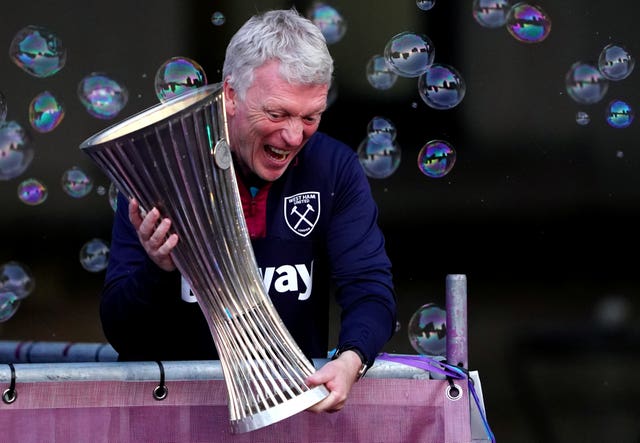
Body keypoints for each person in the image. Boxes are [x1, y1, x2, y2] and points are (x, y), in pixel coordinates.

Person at [100, 8, 397, 413]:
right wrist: (159, 269)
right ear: (231, 95)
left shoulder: (333, 169)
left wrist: (351, 359)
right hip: (166, 419)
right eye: (276, 114)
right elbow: (123, 334)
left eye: (310, 116)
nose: (294, 136)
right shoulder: (160, 170)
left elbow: (369, 290)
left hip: (289, 418)